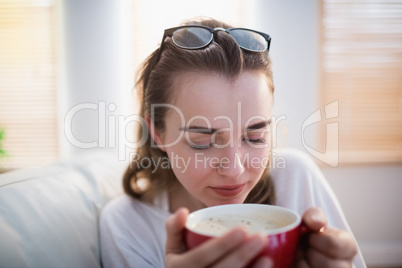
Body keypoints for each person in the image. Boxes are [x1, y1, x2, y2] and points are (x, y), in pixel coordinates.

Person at [100, 18, 366, 267]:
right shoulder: (128, 224)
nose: (235, 169)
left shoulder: (294, 179)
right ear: (157, 134)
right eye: (202, 141)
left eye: (255, 136)